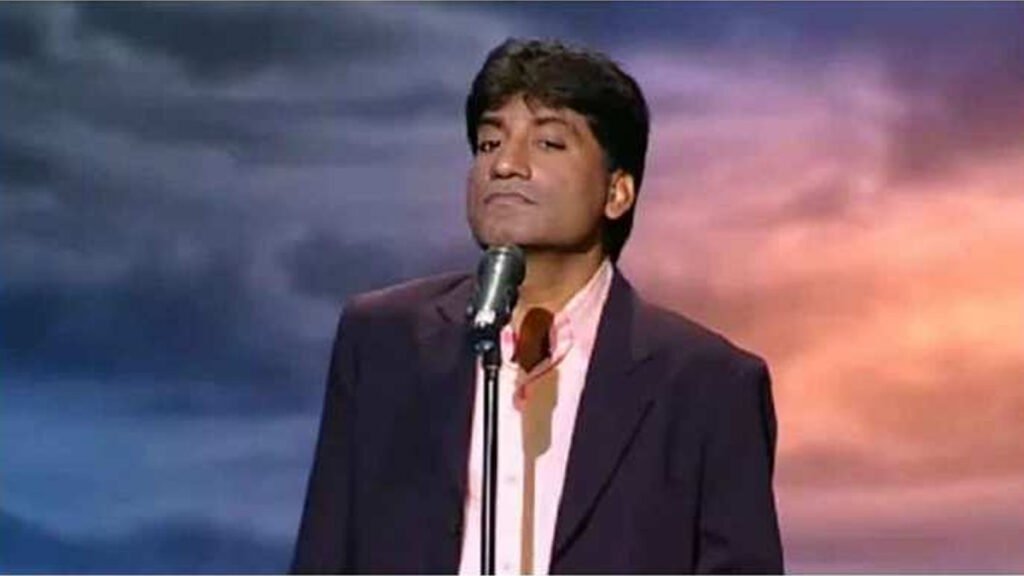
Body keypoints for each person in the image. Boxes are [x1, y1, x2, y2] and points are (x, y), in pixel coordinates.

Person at [292, 38, 783, 574]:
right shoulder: (384, 342)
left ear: (617, 193)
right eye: (488, 143)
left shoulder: (707, 386)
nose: (505, 164)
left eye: (548, 143)